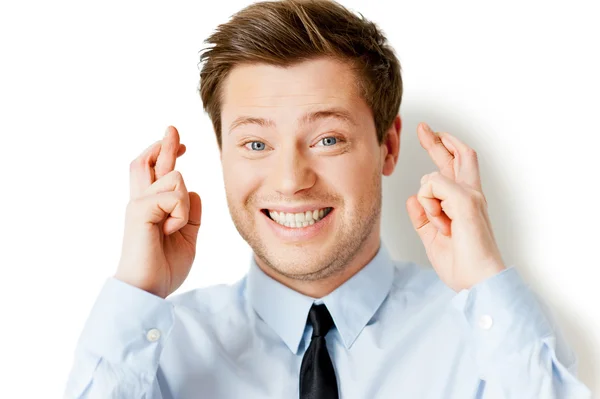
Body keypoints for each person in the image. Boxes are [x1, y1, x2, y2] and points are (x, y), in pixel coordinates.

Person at [63, 0, 592, 398]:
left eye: (328, 139)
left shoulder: (485, 334)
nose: (291, 180)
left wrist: (485, 281)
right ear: (221, 154)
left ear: (388, 147)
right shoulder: (155, 348)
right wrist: (136, 291)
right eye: (255, 143)